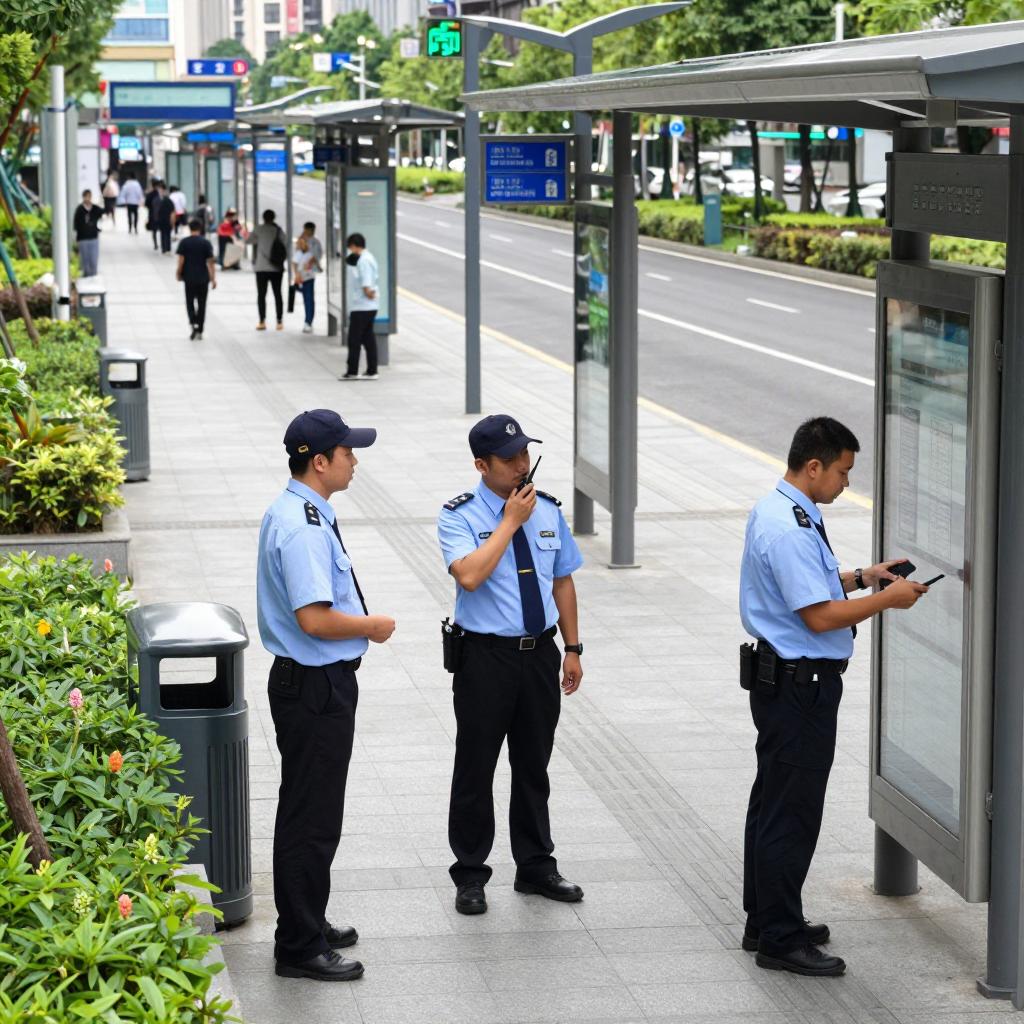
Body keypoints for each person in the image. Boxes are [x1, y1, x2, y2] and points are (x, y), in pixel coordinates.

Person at [739, 416, 929, 978]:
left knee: (772, 803)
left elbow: (807, 588)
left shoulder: (781, 508)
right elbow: (819, 617)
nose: (847, 482)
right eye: (843, 471)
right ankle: (779, 937)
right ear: (814, 465)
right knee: (791, 813)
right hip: (800, 687)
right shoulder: (791, 527)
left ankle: (767, 917)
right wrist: (887, 600)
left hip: (786, 683)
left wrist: (862, 576)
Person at [256, 408, 396, 981]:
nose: (355, 460)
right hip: (314, 686)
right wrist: (371, 626)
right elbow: (314, 619)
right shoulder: (304, 526)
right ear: (320, 461)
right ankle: (299, 945)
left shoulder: (299, 509)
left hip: (311, 683)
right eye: (347, 453)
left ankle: (305, 918)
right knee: (311, 817)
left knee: (310, 809)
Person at [436, 414, 585, 917]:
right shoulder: (457, 515)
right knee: (475, 768)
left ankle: (536, 865)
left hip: (538, 653)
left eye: (526, 454)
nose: (523, 465)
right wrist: (509, 523)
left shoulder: (548, 510)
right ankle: (471, 874)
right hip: (485, 658)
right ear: (482, 465)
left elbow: (562, 579)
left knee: (533, 765)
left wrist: (573, 647)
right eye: (510, 459)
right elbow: (471, 577)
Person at [338, 233, 379, 381]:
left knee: (354, 339)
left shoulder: (364, 260)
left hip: (362, 307)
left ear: (354, 246)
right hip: (368, 307)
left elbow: (366, 284)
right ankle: (372, 370)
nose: (350, 250)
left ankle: (352, 371)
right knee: (368, 339)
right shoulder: (368, 258)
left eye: (350, 247)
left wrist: (368, 293)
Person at [176, 217, 217, 341]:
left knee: (189, 302)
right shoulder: (205, 243)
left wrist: (178, 273)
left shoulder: (184, 243)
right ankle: (200, 327)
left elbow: (181, 261)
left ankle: (193, 322)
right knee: (202, 302)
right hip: (203, 278)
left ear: (189, 228)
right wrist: (213, 278)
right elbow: (211, 262)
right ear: (200, 228)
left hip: (189, 278)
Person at [252, 208, 287, 331]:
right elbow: (286, 245)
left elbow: (249, 241)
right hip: (276, 268)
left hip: (261, 267)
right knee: (277, 294)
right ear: (273, 218)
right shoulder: (278, 231)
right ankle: (279, 321)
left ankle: (262, 321)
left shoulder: (258, 229)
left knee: (261, 295)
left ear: (263, 218)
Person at [291, 222, 323, 334]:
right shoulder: (302, 241)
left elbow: (316, 257)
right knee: (307, 297)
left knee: (308, 298)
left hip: (308, 274)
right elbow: (296, 260)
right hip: (303, 274)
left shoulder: (314, 242)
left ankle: (308, 321)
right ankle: (308, 321)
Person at [72, 189, 103, 277]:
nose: (88, 199)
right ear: (83, 197)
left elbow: (103, 212)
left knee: (93, 258)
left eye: (89, 196)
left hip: (93, 237)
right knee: (85, 259)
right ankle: (86, 275)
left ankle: (93, 275)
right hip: (83, 238)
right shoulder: (79, 210)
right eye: (86, 196)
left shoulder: (95, 208)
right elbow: (76, 225)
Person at [156, 184, 176, 255]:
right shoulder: (159, 200)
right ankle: (165, 249)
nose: (160, 192)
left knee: (166, 234)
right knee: (164, 234)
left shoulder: (167, 201)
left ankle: (166, 249)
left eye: (161, 190)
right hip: (162, 220)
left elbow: (172, 212)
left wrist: (172, 221)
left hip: (166, 220)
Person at [144, 178, 163, 250]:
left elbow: (146, 204)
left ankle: (155, 244)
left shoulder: (150, 194)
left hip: (152, 213)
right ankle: (162, 243)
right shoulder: (160, 194)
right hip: (161, 214)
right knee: (162, 230)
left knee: (154, 230)